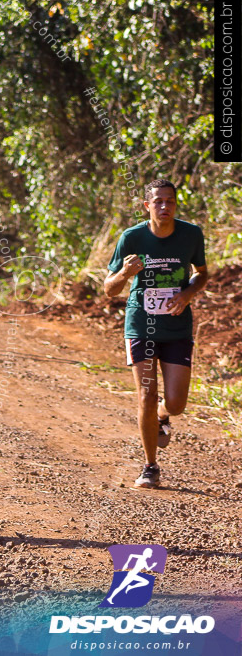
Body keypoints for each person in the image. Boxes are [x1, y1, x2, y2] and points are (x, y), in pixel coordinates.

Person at [103, 179, 207, 489]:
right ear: (147, 206)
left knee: (175, 403)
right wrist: (125, 273)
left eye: (170, 201)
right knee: (146, 395)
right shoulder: (132, 238)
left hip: (176, 327)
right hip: (141, 326)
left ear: (176, 204)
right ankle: (150, 466)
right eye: (158, 201)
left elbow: (202, 274)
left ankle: (164, 415)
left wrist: (187, 295)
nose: (164, 206)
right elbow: (109, 289)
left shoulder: (191, 235)